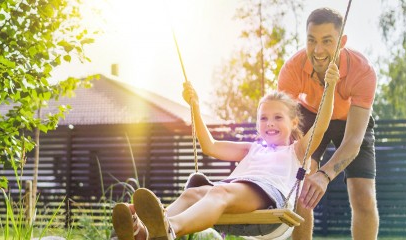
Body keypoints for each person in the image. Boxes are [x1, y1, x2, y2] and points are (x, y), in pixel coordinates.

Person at [111, 63, 339, 240]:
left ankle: (171, 229)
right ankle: (144, 233)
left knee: (219, 192)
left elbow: (321, 126)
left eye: (278, 117)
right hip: (236, 188)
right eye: (263, 118)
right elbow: (210, 146)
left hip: (270, 198)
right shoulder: (252, 149)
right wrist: (195, 108)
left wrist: (329, 89)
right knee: (193, 193)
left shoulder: (296, 151)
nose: (270, 123)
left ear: (294, 123)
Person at [277, 7, 379, 240]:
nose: (318, 50)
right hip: (311, 114)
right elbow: (284, 125)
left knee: (363, 195)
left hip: (350, 120)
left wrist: (325, 174)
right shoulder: (292, 70)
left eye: (327, 41)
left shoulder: (363, 72)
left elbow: (353, 139)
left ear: (342, 41)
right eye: (311, 41)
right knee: (303, 185)